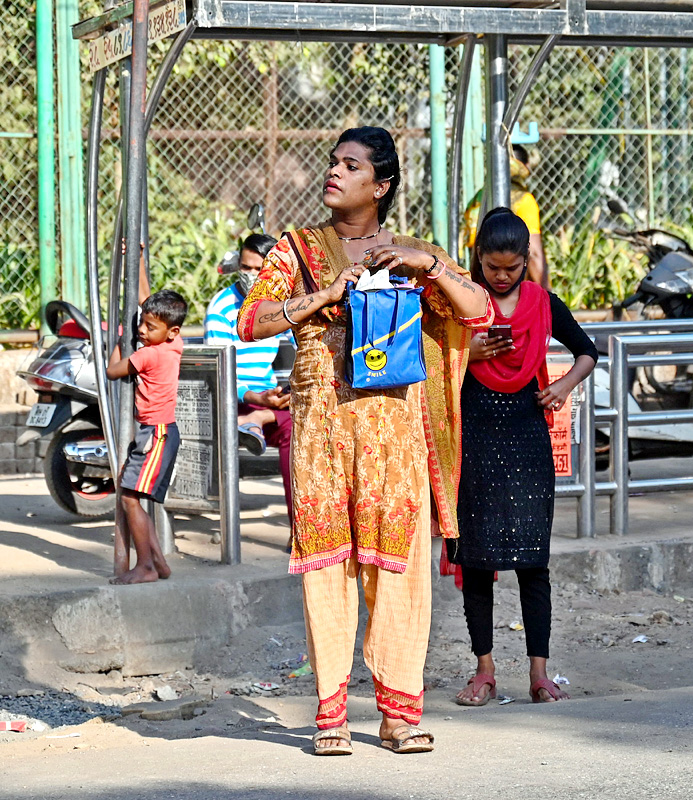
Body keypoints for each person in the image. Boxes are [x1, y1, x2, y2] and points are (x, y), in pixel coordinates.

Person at [236, 126, 492, 755]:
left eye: (350, 166)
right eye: (332, 162)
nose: (334, 173)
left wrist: (427, 265)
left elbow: (480, 310)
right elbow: (251, 322)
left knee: (399, 574)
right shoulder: (295, 250)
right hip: (323, 438)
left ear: (379, 186)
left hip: (397, 440)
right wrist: (321, 297)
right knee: (326, 570)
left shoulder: (412, 253)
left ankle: (399, 715)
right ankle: (330, 718)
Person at [449, 208, 597, 707]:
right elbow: (431, 359)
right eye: (493, 267)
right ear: (479, 260)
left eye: (512, 267)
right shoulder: (462, 304)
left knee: (534, 563)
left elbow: (587, 351)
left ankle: (539, 674)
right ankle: (484, 670)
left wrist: (560, 387)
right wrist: (470, 353)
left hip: (528, 439)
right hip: (476, 440)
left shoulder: (543, 303)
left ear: (525, 261)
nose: (503, 276)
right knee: (477, 562)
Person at [204, 233, 294, 519]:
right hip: (236, 398)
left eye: (259, 269)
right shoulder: (222, 307)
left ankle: (258, 421)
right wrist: (254, 397)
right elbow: (218, 372)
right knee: (291, 423)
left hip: (270, 399)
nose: (251, 276)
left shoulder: (281, 305)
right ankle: (255, 418)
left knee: (301, 417)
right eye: (246, 268)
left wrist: (287, 392)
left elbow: (301, 350)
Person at [105, 290, 189, 585]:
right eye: (141, 322)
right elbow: (147, 296)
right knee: (135, 498)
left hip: (156, 434)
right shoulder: (174, 345)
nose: (141, 329)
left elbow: (112, 371)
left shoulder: (148, 354)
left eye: (150, 327)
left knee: (129, 498)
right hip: (161, 433)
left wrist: (118, 340)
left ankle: (145, 567)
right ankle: (159, 564)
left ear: (171, 331)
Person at [463, 145, 547, 287]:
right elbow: (534, 253)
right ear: (525, 167)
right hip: (511, 288)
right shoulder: (524, 200)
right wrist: (549, 297)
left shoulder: (478, 198)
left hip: (477, 282)